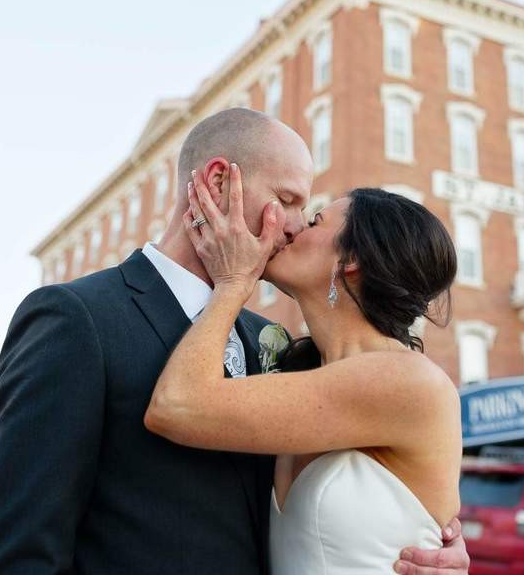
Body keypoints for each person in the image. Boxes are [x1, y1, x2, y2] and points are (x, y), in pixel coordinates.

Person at [0, 108, 470, 574]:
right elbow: (15, 550)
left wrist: (439, 546)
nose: (293, 227)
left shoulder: (270, 345)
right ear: (218, 181)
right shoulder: (77, 319)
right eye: (290, 201)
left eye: (309, 215)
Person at [144, 162, 464, 573]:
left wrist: (234, 282)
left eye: (313, 220)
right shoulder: (296, 376)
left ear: (351, 259)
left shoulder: (407, 381)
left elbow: (177, 405)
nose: (292, 229)